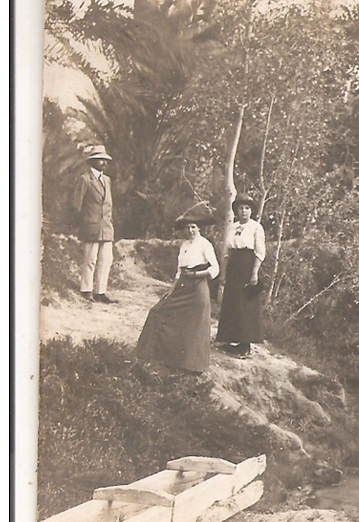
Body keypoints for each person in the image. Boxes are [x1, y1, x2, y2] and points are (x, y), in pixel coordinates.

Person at [135, 203, 220, 373]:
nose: (190, 231)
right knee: (158, 311)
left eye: (193, 227)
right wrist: (172, 289)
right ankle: (155, 355)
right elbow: (179, 270)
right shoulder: (184, 245)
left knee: (191, 326)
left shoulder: (205, 244)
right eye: (187, 228)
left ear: (199, 228)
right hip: (182, 285)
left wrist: (197, 275)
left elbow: (215, 269)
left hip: (197, 288)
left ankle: (190, 365)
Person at [216, 194, 266, 358]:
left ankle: (245, 345)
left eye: (247, 208)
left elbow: (259, 252)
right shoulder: (233, 227)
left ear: (251, 211)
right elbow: (227, 251)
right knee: (232, 301)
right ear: (236, 211)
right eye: (241, 208)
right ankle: (231, 340)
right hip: (234, 264)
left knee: (245, 303)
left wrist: (254, 272)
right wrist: (223, 272)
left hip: (247, 263)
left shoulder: (256, 227)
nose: (243, 211)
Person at [71, 144, 117, 304]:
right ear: (92, 162)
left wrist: (109, 221)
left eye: (105, 160)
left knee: (106, 260)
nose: (104, 163)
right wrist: (83, 223)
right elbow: (76, 205)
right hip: (90, 225)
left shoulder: (107, 180)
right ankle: (86, 290)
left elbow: (108, 203)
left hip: (106, 227)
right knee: (90, 259)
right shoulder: (85, 179)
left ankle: (100, 292)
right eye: (100, 160)